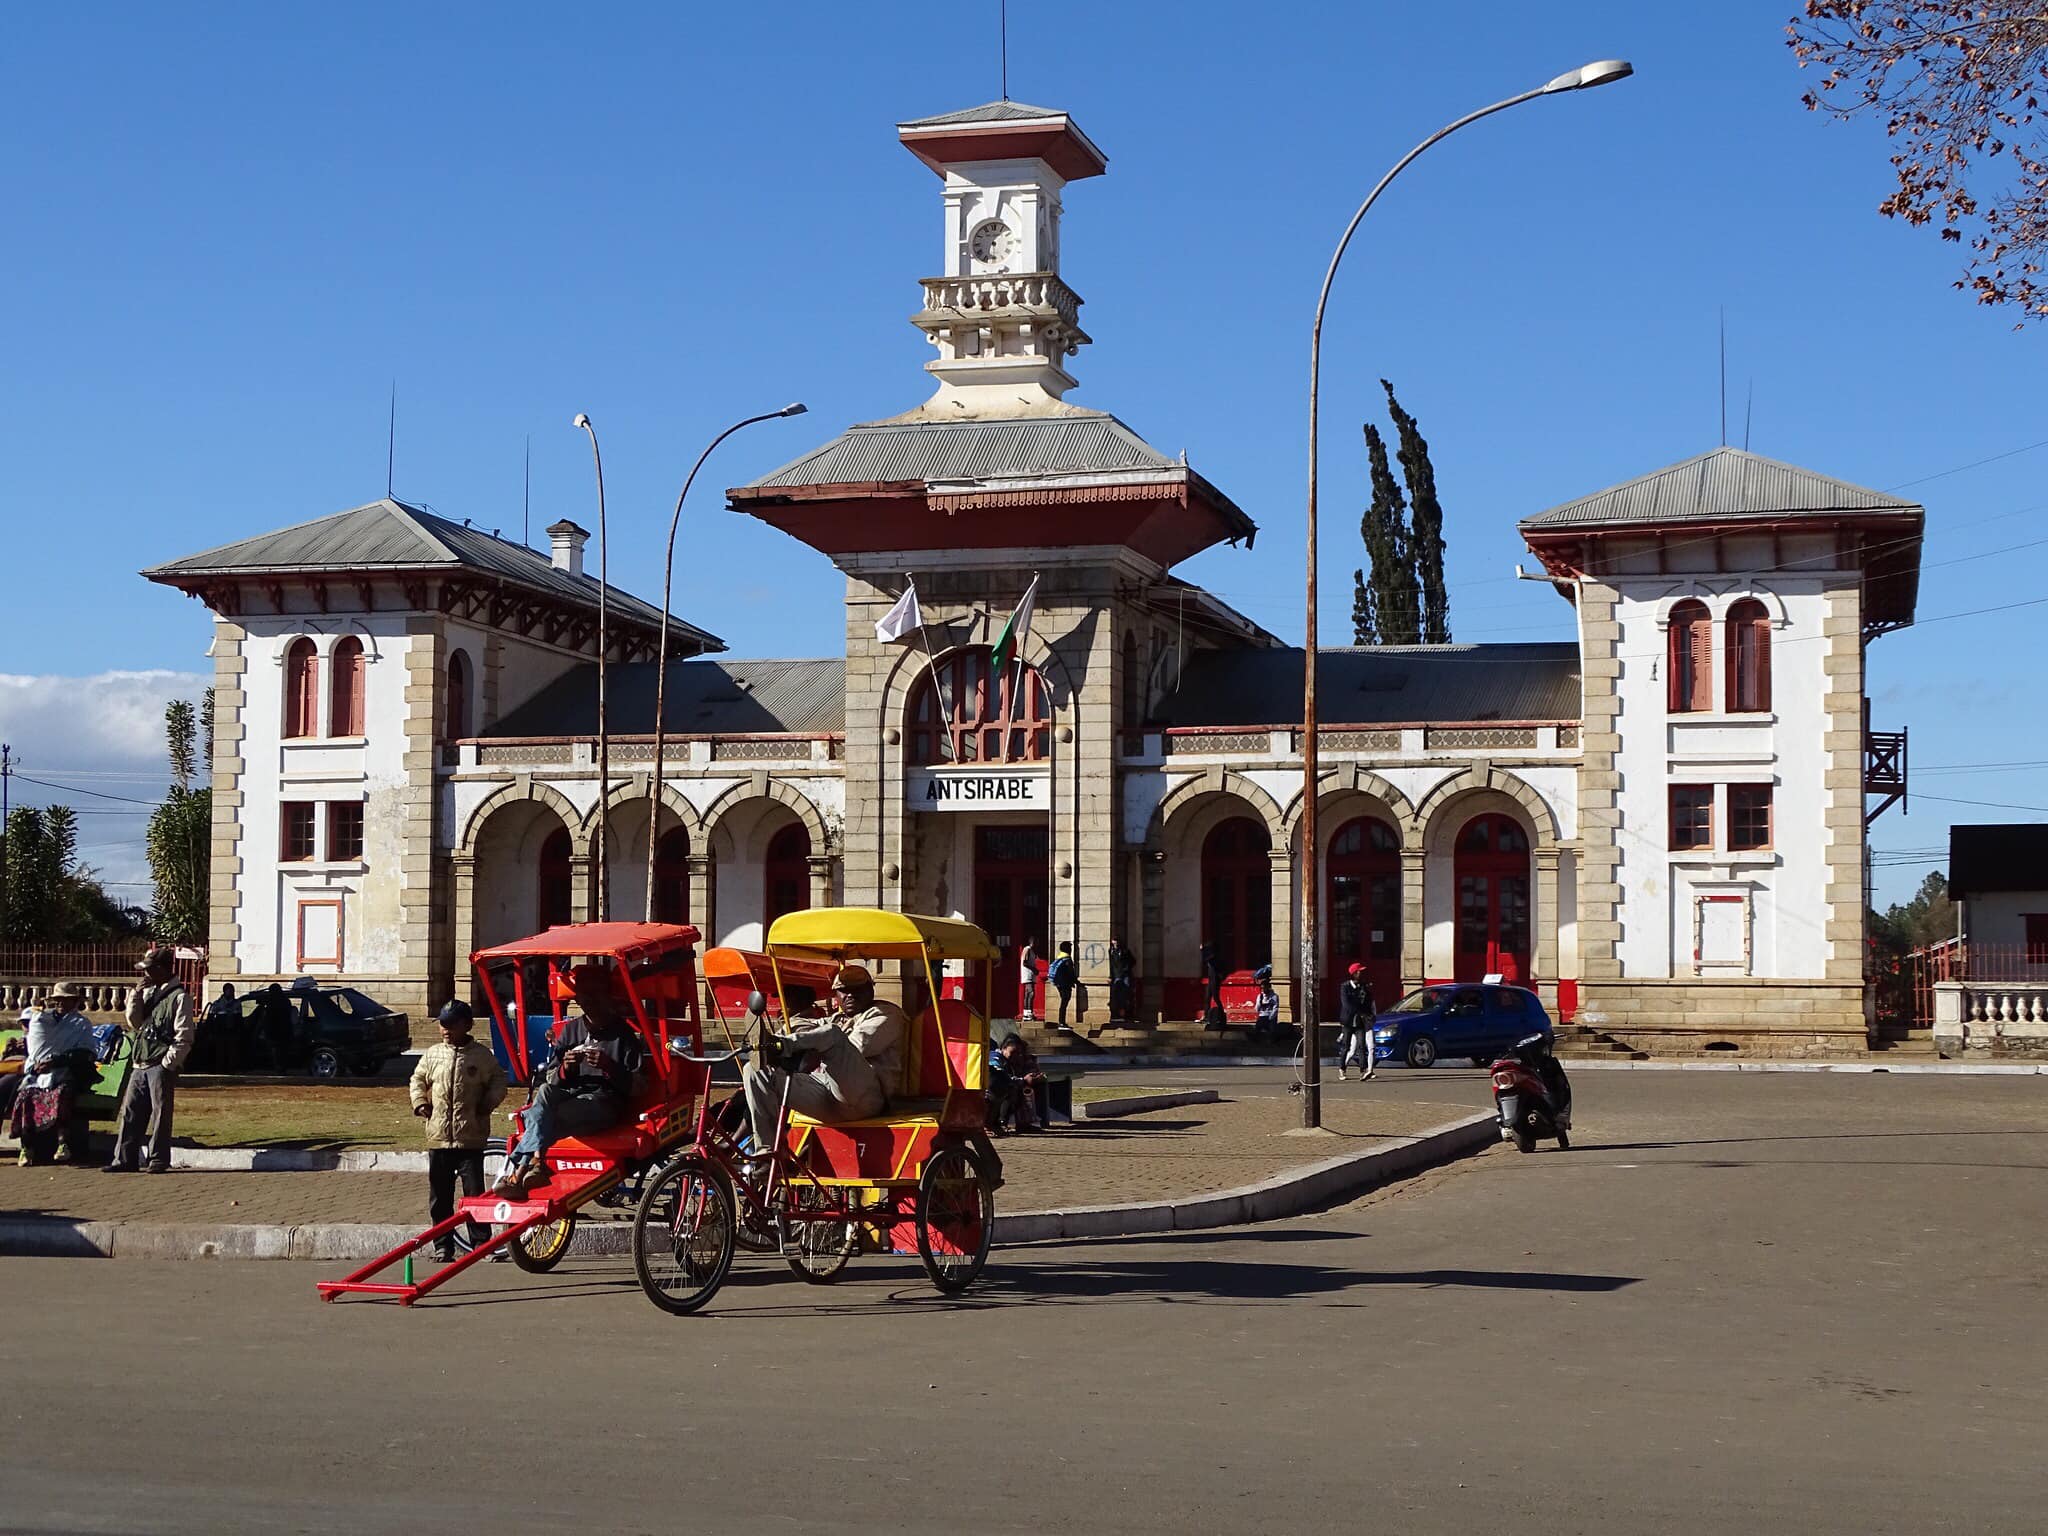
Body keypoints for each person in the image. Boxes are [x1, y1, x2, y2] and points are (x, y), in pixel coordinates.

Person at [492, 964, 644, 1195]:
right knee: (544, 1094)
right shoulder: (572, 1030)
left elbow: (638, 1087)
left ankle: (522, 1170)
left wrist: (608, 1067)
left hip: (603, 1104)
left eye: (594, 994)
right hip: (568, 1097)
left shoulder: (622, 1034)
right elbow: (551, 1078)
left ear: (606, 996)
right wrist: (565, 1068)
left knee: (542, 1115)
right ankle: (535, 1166)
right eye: (583, 996)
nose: (588, 1001)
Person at [742, 963, 905, 1153]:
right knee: (755, 1070)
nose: (850, 995)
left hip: (866, 1099)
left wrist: (800, 1045)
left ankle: (780, 1046)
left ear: (870, 989)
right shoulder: (837, 1019)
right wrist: (791, 1028)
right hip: (827, 1095)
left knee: (833, 1036)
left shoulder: (885, 1014)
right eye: (843, 991)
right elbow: (809, 1024)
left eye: (857, 989)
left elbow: (855, 1046)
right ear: (836, 995)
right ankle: (768, 1152)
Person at [410, 999, 508, 1261]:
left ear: (467, 1025)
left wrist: (487, 1103)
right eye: (443, 1025)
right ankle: (443, 1245)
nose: (446, 1030)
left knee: (474, 1195)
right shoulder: (433, 1054)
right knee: (440, 1197)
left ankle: (480, 1244)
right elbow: (417, 1079)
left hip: (470, 1139)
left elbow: (499, 1080)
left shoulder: (481, 1056)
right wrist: (420, 1102)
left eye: (451, 1025)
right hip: (439, 1139)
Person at [106, 947, 194, 1174]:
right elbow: (135, 1022)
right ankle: (124, 1159)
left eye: (150, 970)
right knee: (131, 1112)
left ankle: (158, 1159)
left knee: (160, 1113)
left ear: (163, 970)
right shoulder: (148, 993)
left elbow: (184, 1034)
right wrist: (135, 995)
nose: (146, 975)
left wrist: (169, 1062)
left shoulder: (179, 997)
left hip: (160, 1061)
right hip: (140, 1061)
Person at [13, 983, 97, 1165]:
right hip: (37, 1074)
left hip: (65, 1071)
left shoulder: (81, 1024)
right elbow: (35, 1048)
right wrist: (36, 1065)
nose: (62, 1004)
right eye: (59, 1000)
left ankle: (63, 1143)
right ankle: (26, 1147)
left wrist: (57, 1060)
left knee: (62, 1094)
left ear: (75, 1002)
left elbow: (87, 1051)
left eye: (67, 1000)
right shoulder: (40, 1020)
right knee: (25, 1096)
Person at [986, 1033, 1048, 1134]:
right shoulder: (995, 1058)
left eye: (1018, 1053)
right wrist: (1023, 1080)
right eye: (1013, 1052)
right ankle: (997, 1122)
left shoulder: (1010, 1061)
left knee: (1024, 1088)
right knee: (1010, 1088)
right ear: (1003, 1048)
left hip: (996, 1091)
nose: (1015, 1056)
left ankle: (1024, 1122)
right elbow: (1000, 1077)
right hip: (988, 1093)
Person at [1335, 963, 1373, 1082]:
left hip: (1360, 1021)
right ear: (1354, 973)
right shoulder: (1345, 987)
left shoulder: (1363, 986)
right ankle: (1342, 1068)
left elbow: (1367, 1001)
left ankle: (1363, 1070)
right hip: (1348, 1021)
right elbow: (1347, 1005)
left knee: (1361, 1046)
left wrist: (1367, 1013)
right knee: (1346, 1046)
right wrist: (1360, 1010)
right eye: (1359, 971)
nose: (1361, 974)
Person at [1048, 941, 1079, 1029]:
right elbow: (1070, 973)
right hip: (1065, 984)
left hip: (1058, 983)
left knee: (1063, 1002)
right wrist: (1076, 982)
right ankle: (1061, 1023)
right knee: (1064, 1002)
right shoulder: (1067, 959)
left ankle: (1062, 1022)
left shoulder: (1060, 958)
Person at [1106, 939, 1134, 1023]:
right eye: (1114, 941)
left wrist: (1126, 969)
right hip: (1116, 976)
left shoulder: (1125, 951)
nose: (1115, 943)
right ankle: (1118, 1013)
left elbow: (1132, 961)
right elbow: (1111, 964)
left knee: (1125, 993)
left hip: (1124, 975)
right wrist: (1111, 976)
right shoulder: (1111, 951)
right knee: (1116, 994)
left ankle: (1124, 1013)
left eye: (1116, 941)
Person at [1252, 966, 1282, 1043]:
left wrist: (1270, 1017)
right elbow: (1257, 1009)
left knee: (1272, 1029)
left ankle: (1273, 1040)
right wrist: (1260, 1002)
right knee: (1257, 1028)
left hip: (1270, 1016)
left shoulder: (1274, 996)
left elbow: (1275, 1008)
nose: (1263, 990)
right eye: (1261, 988)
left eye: (1264, 988)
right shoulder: (1260, 996)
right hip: (1262, 1015)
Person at [1200, 942, 1223, 1029]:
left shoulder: (1214, 958)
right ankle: (1206, 1016)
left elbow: (1207, 959)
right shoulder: (1211, 958)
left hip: (1215, 980)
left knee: (1216, 997)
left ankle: (1221, 1014)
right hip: (1211, 980)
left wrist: (1202, 949)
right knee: (1207, 998)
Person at [1018, 942, 1038, 1022]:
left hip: (1030, 974)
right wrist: (1034, 969)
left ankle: (1027, 1012)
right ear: (1032, 942)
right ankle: (1028, 1013)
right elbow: (1024, 962)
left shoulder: (1031, 950)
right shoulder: (1027, 949)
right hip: (1028, 974)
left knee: (1028, 993)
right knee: (1031, 993)